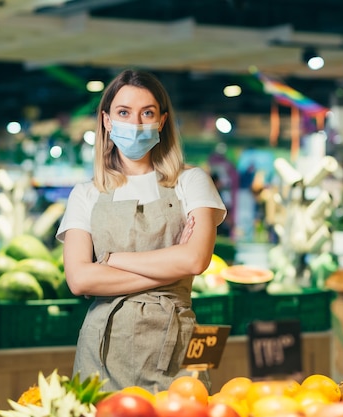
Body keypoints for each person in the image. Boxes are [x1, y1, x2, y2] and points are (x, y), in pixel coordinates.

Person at [56, 69, 226, 392]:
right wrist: (170, 268)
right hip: (101, 349)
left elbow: (195, 261)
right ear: (106, 121)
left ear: (161, 121)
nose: (135, 124)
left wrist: (110, 259)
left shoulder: (192, 181)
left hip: (178, 342)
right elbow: (79, 279)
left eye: (146, 113)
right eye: (123, 113)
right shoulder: (86, 193)